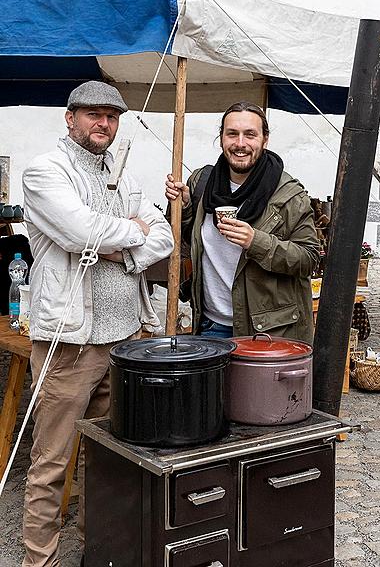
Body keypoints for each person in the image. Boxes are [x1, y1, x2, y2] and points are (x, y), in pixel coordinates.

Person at [22, 81, 174, 567]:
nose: (103, 123)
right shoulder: (45, 171)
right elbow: (80, 229)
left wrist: (121, 254)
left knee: (106, 459)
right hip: (69, 342)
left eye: (111, 115)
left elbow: (164, 235)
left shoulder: (124, 174)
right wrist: (130, 234)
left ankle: (98, 552)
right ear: (70, 118)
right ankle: (38, 559)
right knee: (51, 462)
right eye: (93, 114)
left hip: (124, 337)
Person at [165, 101, 319, 344]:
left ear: (265, 139)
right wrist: (183, 207)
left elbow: (309, 259)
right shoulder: (202, 183)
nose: (240, 144)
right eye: (232, 134)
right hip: (210, 325)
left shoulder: (289, 195)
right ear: (222, 138)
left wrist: (255, 241)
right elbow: (187, 243)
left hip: (267, 333)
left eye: (250, 134)